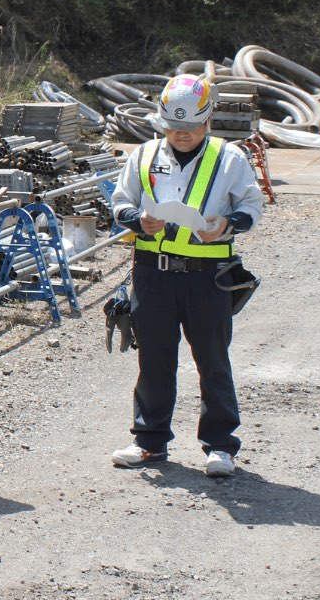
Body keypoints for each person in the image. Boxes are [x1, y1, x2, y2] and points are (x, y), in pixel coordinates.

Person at [109, 73, 264, 477]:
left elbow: (252, 205)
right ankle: (149, 441)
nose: (181, 134)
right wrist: (138, 221)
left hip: (207, 275)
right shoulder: (143, 155)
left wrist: (226, 225)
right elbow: (120, 201)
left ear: (208, 120)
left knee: (212, 359)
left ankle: (221, 446)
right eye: (173, 126)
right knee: (154, 357)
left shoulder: (230, 158)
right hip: (153, 274)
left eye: (191, 126)